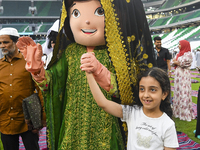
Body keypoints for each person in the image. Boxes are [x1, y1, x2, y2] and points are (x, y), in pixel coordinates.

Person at [16, 0, 155, 149]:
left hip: (106, 124)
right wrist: (37, 70)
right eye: (76, 13)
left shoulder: (117, 53)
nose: (87, 21)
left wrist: (101, 73)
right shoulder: (70, 53)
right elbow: (52, 83)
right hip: (73, 123)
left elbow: (129, 91)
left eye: (100, 12)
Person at [85, 67, 179, 150]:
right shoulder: (131, 113)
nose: (146, 95)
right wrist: (89, 74)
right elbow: (103, 103)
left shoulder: (167, 125)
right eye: (142, 89)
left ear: (164, 94)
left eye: (152, 90)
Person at [0, 27, 46, 150]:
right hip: (6, 120)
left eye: (5, 42)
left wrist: (42, 117)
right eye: (0, 43)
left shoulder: (29, 62)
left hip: (28, 120)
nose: (2, 46)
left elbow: (41, 88)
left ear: (15, 42)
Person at [172, 40, 195, 121]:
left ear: (184, 45)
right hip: (178, 76)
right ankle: (178, 112)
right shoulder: (179, 54)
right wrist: (177, 62)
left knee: (184, 92)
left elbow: (184, 63)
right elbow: (172, 62)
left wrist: (177, 62)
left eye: (179, 44)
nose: (178, 45)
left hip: (184, 76)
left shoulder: (188, 54)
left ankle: (185, 113)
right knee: (178, 92)